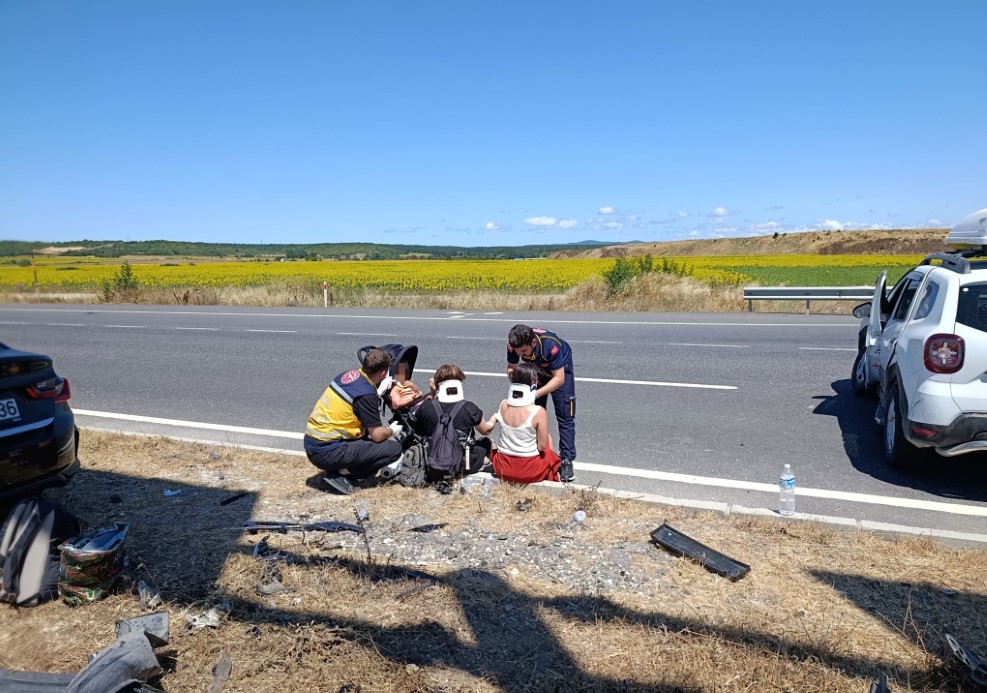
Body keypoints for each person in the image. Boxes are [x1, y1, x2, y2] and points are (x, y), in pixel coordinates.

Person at [303, 348, 404, 495]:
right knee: (393, 450)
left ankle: (338, 467)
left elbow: (357, 401)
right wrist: (392, 430)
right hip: (326, 451)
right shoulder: (366, 394)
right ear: (383, 373)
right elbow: (377, 435)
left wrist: (376, 393)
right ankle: (340, 473)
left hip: (314, 443)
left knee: (367, 438)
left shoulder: (349, 376)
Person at [506, 324, 576, 481]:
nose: (520, 354)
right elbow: (511, 368)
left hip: (559, 370)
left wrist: (535, 393)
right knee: (532, 414)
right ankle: (536, 452)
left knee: (565, 414)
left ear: (533, 343)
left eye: (523, 351)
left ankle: (566, 460)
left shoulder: (551, 346)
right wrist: (519, 384)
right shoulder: (513, 345)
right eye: (518, 351)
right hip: (535, 370)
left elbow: (559, 379)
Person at [411, 363, 495, 477]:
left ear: (437, 384)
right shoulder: (469, 408)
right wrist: (494, 419)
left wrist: (432, 392)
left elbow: (418, 430)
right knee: (486, 442)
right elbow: (486, 430)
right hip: (463, 465)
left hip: (433, 464)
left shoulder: (426, 407)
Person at [487, 362, 561, 483]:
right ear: (533, 382)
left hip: (502, 469)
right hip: (529, 470)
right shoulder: (538, 412)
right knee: (547, 439)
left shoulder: (503, 405)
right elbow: (542, 447)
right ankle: (551, 478)